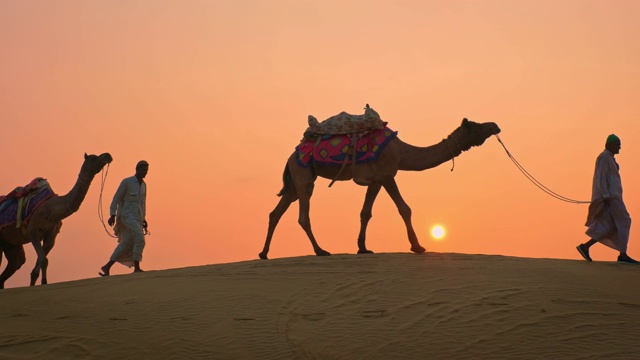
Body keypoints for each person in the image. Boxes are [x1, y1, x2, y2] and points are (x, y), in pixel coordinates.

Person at [577, 134, 638, 264]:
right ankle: (623, 254)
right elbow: (601, 177)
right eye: (617, 144)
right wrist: (605, 195)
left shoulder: (609, 159)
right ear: (609, 145)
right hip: (611, 197)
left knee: (608, 226)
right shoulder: (604, 157)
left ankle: (585, 247)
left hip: (613, 197)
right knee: (625, 221)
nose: (620, 147)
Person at [99, 160, 149, 276]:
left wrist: (143, 219)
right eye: (144, 170)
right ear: (138, 169)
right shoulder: (127, 182)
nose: (146, 173)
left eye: (147, 170)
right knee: (140, 239)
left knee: (127, 243)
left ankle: (107, 267)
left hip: (137, 218)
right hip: (126, 216)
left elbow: (143, 203)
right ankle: (137, 268)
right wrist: (112, 214)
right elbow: (116, 198)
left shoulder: (144, 185)